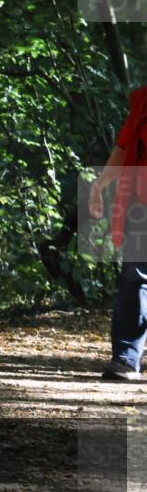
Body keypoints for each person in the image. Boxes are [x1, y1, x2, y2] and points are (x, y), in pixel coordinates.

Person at [88, 85, 147, 381]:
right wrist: (99, 186)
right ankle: (126, 359)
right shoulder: (143, 102)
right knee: (135, 278)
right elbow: (124, 148)